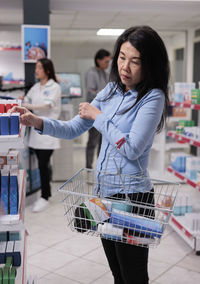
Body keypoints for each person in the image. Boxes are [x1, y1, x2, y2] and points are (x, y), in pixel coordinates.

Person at [10, 26, 169, 283]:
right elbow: (74, 127)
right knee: (117, 271)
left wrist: (99, 117)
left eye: (135, 61)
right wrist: (37, 121)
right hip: (105, 196)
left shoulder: (153, 98)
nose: (125, 67)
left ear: (150, 64)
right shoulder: (111, 91)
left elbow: (132, 147)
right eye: (122, 57)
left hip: (133, 198)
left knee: (134, 276)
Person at [22, 58, 61, 213]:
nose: (36, 70)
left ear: (47, 69)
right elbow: (26, 100)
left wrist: (28, 107)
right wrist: (26, 105)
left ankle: (45, 196)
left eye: (39, 67)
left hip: (48, 132)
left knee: (43, 165)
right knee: (40, 165)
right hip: (36, 133)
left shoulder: (55, 87)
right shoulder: (35, 87)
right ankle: (45, 194)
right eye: (36, 68)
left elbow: (47, 106)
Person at [85, 49, 111, 169]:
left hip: (105, 113)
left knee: (103, 142)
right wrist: (106, 97)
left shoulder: (106, 74)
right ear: (98, 61)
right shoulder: (91, 73)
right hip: (93, 113)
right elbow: (91, 94)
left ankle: (100, 167)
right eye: (106, 61)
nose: (108, 64)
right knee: (92, 142)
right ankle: (89, 168)